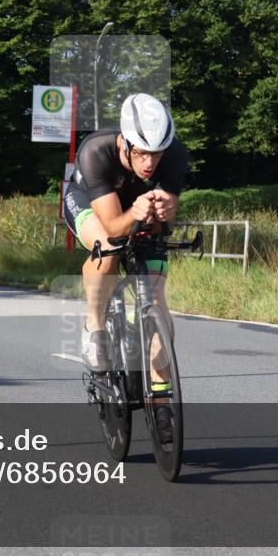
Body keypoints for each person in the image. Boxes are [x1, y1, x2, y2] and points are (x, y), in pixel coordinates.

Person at [63, 93, 189, 378]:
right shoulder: (96, 151)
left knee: (156, 294)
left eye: (157, 153)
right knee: (108, 247)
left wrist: (167, 214)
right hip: (89, 202)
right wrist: (135, 212)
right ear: (125, 140)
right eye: (141, 152)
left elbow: (160, 228)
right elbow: (113, 227)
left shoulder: (175, 154)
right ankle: (93, 324)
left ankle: (161, 403)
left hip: (136, 207)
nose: (149, 163)